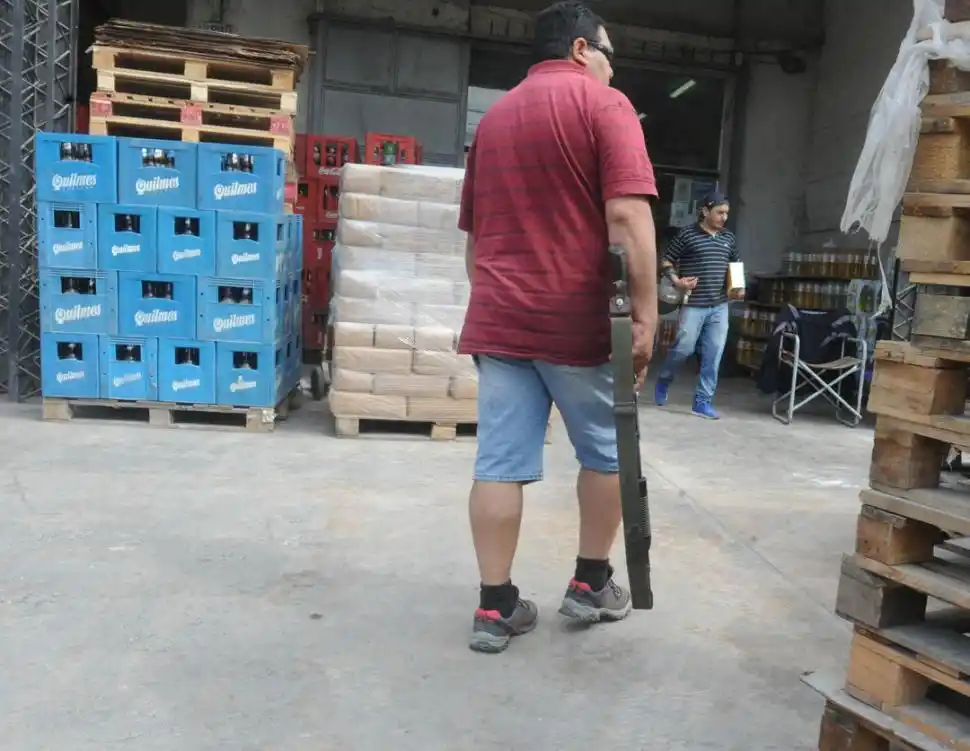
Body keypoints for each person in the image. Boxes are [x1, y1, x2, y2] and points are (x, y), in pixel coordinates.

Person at [457, 0, 659, 654]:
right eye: (606, 53)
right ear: (580, 49)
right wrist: (648, 315)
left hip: (498, 317)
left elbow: (474, 240)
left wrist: (499, 301)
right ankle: (591, 583)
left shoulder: (494, 120)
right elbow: (628, 221)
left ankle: (495, 607)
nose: (609, 66)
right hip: (577, 322)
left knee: (499, 463)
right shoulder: (606, 106)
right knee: (608, 451)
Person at [653, 192, 742, 420]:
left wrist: (738, 286)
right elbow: (666, 260)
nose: (724, 218)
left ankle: (702, 402)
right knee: (684, 348)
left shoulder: (728, 238)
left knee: (713, 355)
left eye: (726, 214)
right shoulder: (687, 235)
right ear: (705, 211)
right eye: (719, 212)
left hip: (720, 305)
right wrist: (677, 281)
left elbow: (735, 264)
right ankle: (664, 379)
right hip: (693, 303)